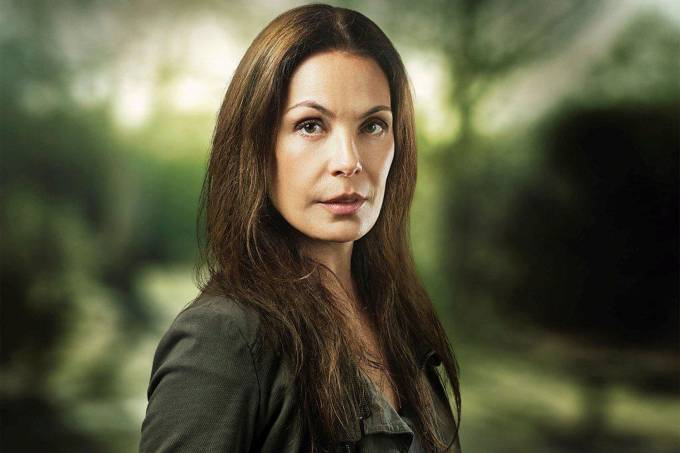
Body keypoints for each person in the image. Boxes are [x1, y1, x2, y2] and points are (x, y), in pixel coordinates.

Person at [139, 3, 462, 452]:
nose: (349, 161)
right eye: (311, 126)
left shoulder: (397, 318)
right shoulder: (223, 338)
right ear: (256, 145)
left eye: (373, 125)